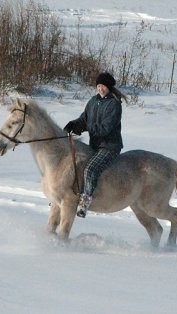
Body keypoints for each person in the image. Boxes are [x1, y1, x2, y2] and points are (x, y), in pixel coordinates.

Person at [63, 72, 125, 218]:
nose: (100, 88)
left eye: (103, 86)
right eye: (98, 85)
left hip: (110, 146)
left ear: (109, 87)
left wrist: (87, 127)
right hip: (95, 145)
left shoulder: (114, 104)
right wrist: (74, 125)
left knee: (90, 169)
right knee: (76, 165)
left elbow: (105, 128)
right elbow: (84, 119)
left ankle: (85, 202)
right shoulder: (93, 101)